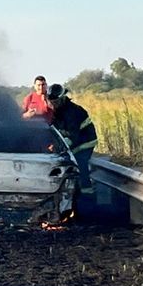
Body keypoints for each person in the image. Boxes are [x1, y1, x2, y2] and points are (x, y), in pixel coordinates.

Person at [46, 83, 98, 212]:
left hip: (85, 142)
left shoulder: (72, 112)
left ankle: (88, 197)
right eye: (51, 101)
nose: (53, 104)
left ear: (63, 98)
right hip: (73, 141)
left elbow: (72, 136)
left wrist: (60, 148)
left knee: (80, 164)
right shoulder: (59, 110)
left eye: (56, 101)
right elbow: (56, 130)